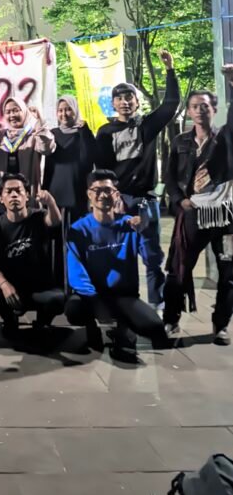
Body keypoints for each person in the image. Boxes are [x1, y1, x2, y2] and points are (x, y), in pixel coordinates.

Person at [94, 49, 180, 307]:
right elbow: (102, 168)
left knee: (152, 255)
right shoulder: (105, 132)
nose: (125, 102)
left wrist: (170, 70)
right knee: (118, 254)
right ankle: (123, 304)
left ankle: (157, 305)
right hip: (118, 200)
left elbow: (170, 105)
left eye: (129, 97)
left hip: (145, 200)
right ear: (113, 103)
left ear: (137, 101)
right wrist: (112, 198)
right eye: (119, 98)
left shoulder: (147, 125)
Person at [65, 170, 170, 362]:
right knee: (74, 309)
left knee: (155, 328)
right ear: (89, 195)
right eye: (97, 190)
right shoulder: (78, 229)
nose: (103, 195)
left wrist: (146, 233)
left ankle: (122, 330)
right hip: (92, 295)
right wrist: (97, 303)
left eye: (108, 190)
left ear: (116, 195)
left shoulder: (130, 225)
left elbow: (153, 261)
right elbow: (75, 272)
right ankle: (92, 327)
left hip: (124, 295)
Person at [164, 77, 233, 345]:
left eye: (205, 105)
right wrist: (179, 200)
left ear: (214, 109)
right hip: (192, 214)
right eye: (194, 106)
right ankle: (171, 319)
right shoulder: (180, 141)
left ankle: (221, 325)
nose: (200, 110)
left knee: (228, 274)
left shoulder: (225, 138)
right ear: (189, 111)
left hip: (224, 216)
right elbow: (170, 176)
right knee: (178, 269)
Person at [0, 173, 64, 341]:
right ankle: (9, 320)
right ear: (1, 198)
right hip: (13, 286)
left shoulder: (39, 216)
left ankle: (42, 322)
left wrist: (50, 202)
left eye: (18, 191)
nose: (14, 195)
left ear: (27, 196)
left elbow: (55, 221)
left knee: (57, 300)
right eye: (9, 191)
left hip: (40, 287)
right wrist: (4, 285)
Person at [0, 95, 55, 217]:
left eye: (16, 110)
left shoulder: (33, 135)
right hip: (1, 200)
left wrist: (39, 122)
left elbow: (47, 148)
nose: (12, 115)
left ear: (24, 112)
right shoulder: (0, 136)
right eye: (8, 112)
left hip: (26, 201)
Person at [44, 95, 96, 222]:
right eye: (60, 110)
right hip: (55, 188)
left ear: (75, 110)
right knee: (55, 227)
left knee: (77, 226)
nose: (64, 114)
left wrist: (84, 131)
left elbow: (88, 161)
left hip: (77, 188)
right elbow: (47, 165)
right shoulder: (52, 134)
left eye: (68, 109)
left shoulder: (83, 132)